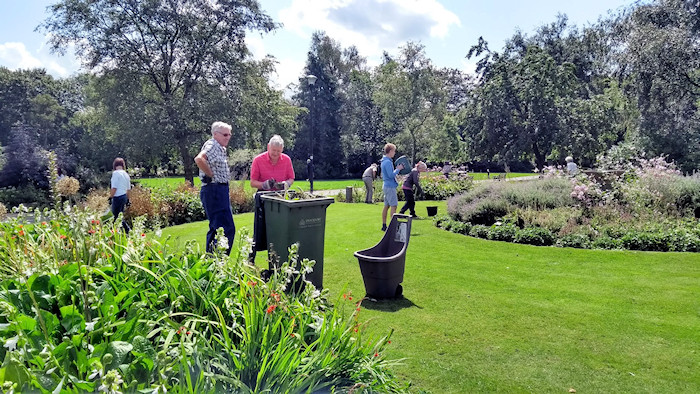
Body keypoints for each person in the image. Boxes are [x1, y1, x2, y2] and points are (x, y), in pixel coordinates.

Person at [249, 135, 295, 262]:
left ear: (282, 149)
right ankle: (250, 259)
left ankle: (280, 258)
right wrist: (264, 184)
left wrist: (286, 184)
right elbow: (252, 182)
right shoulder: (258, 160)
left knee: (281, 229)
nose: (275, 154)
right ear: (268, 147)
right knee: (259, 230)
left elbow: (291, 178)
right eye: (273, 150)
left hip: (280, 197)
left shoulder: (286, 160)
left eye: (278, 151)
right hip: (264, 197)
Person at [194, 121, 236, 254]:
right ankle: (219, 261)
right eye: (225, 134)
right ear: (215, 134)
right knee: (226, 228)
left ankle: (211, 262)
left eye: (229, 134)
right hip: (215, 190)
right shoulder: (212, 145)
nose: (228, 137)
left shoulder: (220, 147)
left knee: (216, 227)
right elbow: (199, 159)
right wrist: (210, 174)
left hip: (218, 190)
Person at [380, 143, 404, 232]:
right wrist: (398, 169)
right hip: (390, 186)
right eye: (394, 151)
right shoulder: (388, 162)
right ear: (390, 151)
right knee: (394, 206)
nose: (394, 153)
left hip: (386, 185)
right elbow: (391, 175)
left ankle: (384, 225)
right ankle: (393, 227)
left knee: (386, 206)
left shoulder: (383, 161)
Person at [109, 157, 132, 233]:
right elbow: (128, 189)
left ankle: (127, 231)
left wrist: (110, 197)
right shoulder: (126, 175)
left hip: (117, 197)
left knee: (115, 217)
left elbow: (114, 188)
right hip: (124, 197)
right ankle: (124, 232)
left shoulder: (115, 174)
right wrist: (128, 200)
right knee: (119, 216)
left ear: (114, 165)